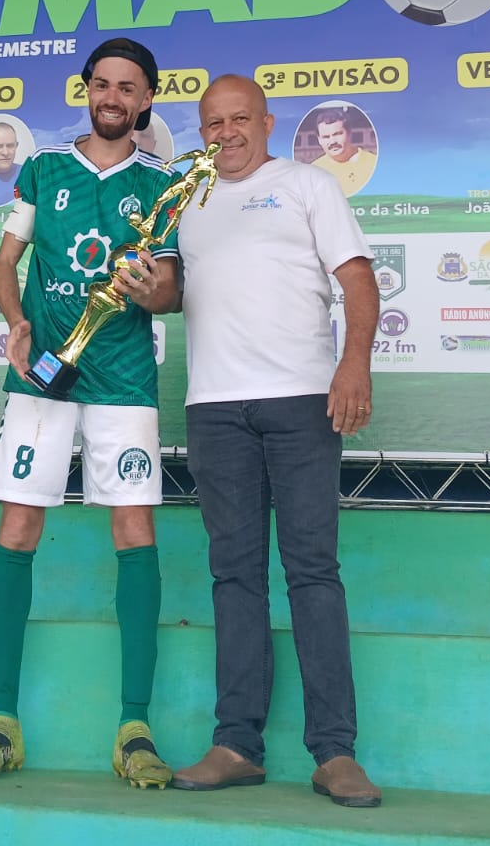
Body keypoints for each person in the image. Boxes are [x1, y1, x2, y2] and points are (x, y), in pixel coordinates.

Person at [144, 75, 383, 808]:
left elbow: (359, 280)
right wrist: (144, 287)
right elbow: (173, 295)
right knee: (234, 578)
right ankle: (237, 744)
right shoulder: (189, 199)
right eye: (212, 122)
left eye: (238, 118)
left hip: (303, 402)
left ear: (268, 121)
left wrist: (354, 364)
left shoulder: (308, 186)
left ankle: (334, 753)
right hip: (214, 410)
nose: (225, 133)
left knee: (312, 571)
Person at [0, 38, 181, 790]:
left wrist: (146, 289)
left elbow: (172, 289)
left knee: (135, 529)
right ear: (87, 91)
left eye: (128, 87)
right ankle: (0, 723)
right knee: (18, 527)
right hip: (42, 376)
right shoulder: (44, 166)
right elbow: (2, 262)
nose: (113, 96)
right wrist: (16, 322)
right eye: (102, 84)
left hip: (122, 380)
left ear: (147, 100)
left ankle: (135, 726)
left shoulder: (163, 185)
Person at [308, 106, 377, 197]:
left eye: (337, 134)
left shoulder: (373, 163)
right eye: (326, 137)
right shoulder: (313, 172)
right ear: (319, 140)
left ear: (349, 133)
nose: (332, 141)